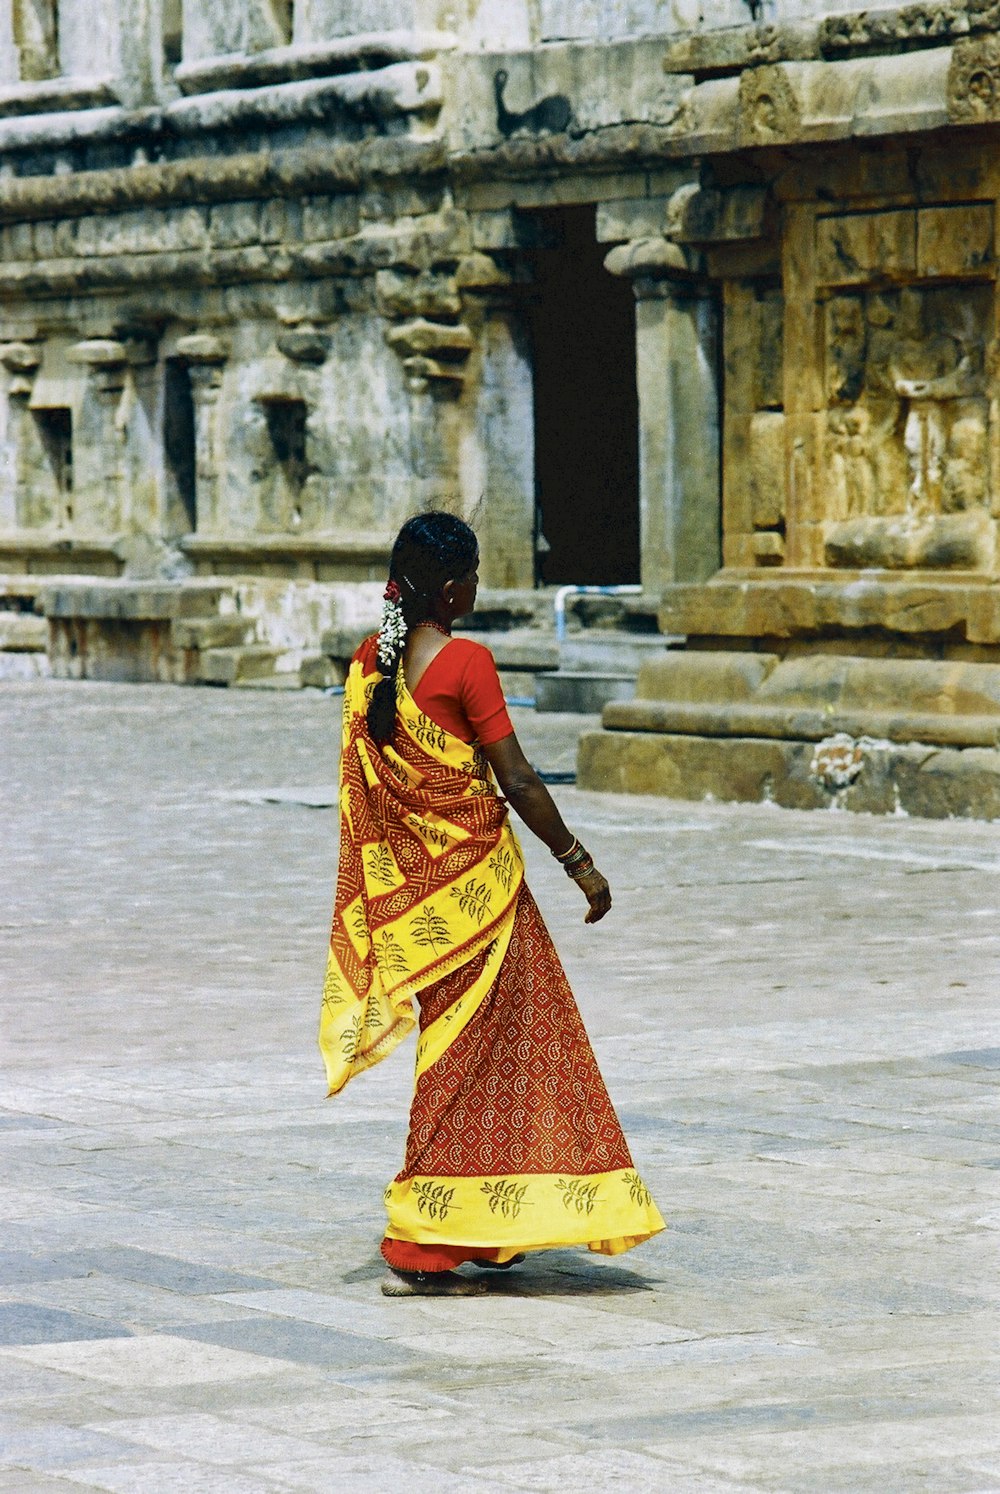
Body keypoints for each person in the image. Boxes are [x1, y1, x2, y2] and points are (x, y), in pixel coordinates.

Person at [319, 511, 665, 1296]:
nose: (477, 587)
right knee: (479, 1059)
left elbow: (374, 797)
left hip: (418, 909)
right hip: (480, 898)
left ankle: (487, 1226)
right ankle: (423, 1239)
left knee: (478, 1055)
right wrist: (581, 864)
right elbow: (518, 780)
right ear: (451, 589)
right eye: (472, 575)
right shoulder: (468, 662)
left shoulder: (369, 664)